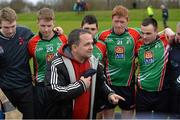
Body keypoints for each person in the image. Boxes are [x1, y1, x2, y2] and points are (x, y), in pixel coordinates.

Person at [44, 28, 125, 119]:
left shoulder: (93, 61)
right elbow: (55, 91)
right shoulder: (56, 63)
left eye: (92, 43)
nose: (91, 47)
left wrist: (109, 94)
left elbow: (100, 83)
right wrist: (81, 85)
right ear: (74, 47)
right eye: (87, 44)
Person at [96, 5, 141, 119]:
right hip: (109, 84)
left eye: (122, 21)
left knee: (127, 116)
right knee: (108, 116)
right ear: (112, 20)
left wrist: (167, 30)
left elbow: (152, 33)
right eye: (116, 21)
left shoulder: (135, 33)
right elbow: (87, 39)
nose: (119, 25)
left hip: (128, 84)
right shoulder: (103, 35)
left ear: (127, 21)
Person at [28, 7, 67, 118]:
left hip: (60, 85)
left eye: (49, 26)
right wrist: (29, 74)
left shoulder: (63, 39)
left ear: (54, 23)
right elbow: (24, 61)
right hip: (41, 87)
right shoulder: (32, 43)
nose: (46, 29)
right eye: (43, 26)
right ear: (37, 23)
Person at [0, 7, 34, 118]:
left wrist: (57, 31)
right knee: (9, 118)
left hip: (26, 88)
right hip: (6, 92)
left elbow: (42, 42)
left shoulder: (25, 32)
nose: (10, 30)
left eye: (13, 26)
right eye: (6, 27)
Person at [135, 17, 173, 118]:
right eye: (142, 33)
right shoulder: (138, 44)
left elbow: (174, 35)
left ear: (156, 31)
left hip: (162, 95)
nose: (144, 36)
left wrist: (167, 30)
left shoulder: (166, 41)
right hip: (142, 94)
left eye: (148, 33)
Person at [169, 22, 180, 118]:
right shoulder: (170, 48)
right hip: (174, 102)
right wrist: (166, 30)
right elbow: (152, 35)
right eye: (179, 34)